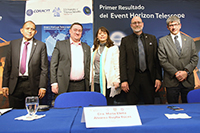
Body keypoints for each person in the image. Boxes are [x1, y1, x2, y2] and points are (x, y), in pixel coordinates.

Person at [2, 21, 48, 109]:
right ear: (22, 30)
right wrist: (5, 85)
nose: (30, 31)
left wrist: (42, 86)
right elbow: (8, 66)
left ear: (35, 32)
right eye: (27, 29)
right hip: (15, 84)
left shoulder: (41, 45)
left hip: (32, 85)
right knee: (14, 113)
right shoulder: (13, 44)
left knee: (33, 113)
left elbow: (44, 68)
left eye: (32, 29)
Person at [120, 16, 162, 105]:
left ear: (142, 24)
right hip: (132, 79)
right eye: (134, 23)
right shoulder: (125, 40)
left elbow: (156, 60)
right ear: (131, 25)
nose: (137, 25)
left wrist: (158, 78)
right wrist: (124, 80)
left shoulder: (152, 39)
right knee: (131, 106)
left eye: (139, 22)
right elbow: (122, 62)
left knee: (150, 105)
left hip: (149, 77)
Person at [158, 16, 198, 103]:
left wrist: (186, 72)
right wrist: (176, 73)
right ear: (167, 27)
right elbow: (162, 60)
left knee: (189, 108)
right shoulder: (163, 41)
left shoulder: (189, 40)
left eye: (175, 24)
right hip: (171, 81)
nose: (173, 27)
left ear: (180, 25)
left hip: (188, 80)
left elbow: (194, 58)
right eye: (171, 25)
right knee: (173, 108)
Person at [50, 22, 91, 95]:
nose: (77, 32)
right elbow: (53, 65)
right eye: (75, 30)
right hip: (64, 84)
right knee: (64, 106)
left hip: (81, 85)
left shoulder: (86, 48)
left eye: (79, 31)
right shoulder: (60, 45)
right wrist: (54, 82)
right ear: (70, 31)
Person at [90, 26, 120, 105]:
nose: (102, 35)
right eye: (100, 33)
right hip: (95, 81)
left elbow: (116, 65)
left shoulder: (113, 48)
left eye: (104, 33)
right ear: (97, 36)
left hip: (108, 82)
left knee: (107, 104)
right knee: (96, 104)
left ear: (107, 35)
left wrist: (117, 80)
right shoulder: (93, 48)